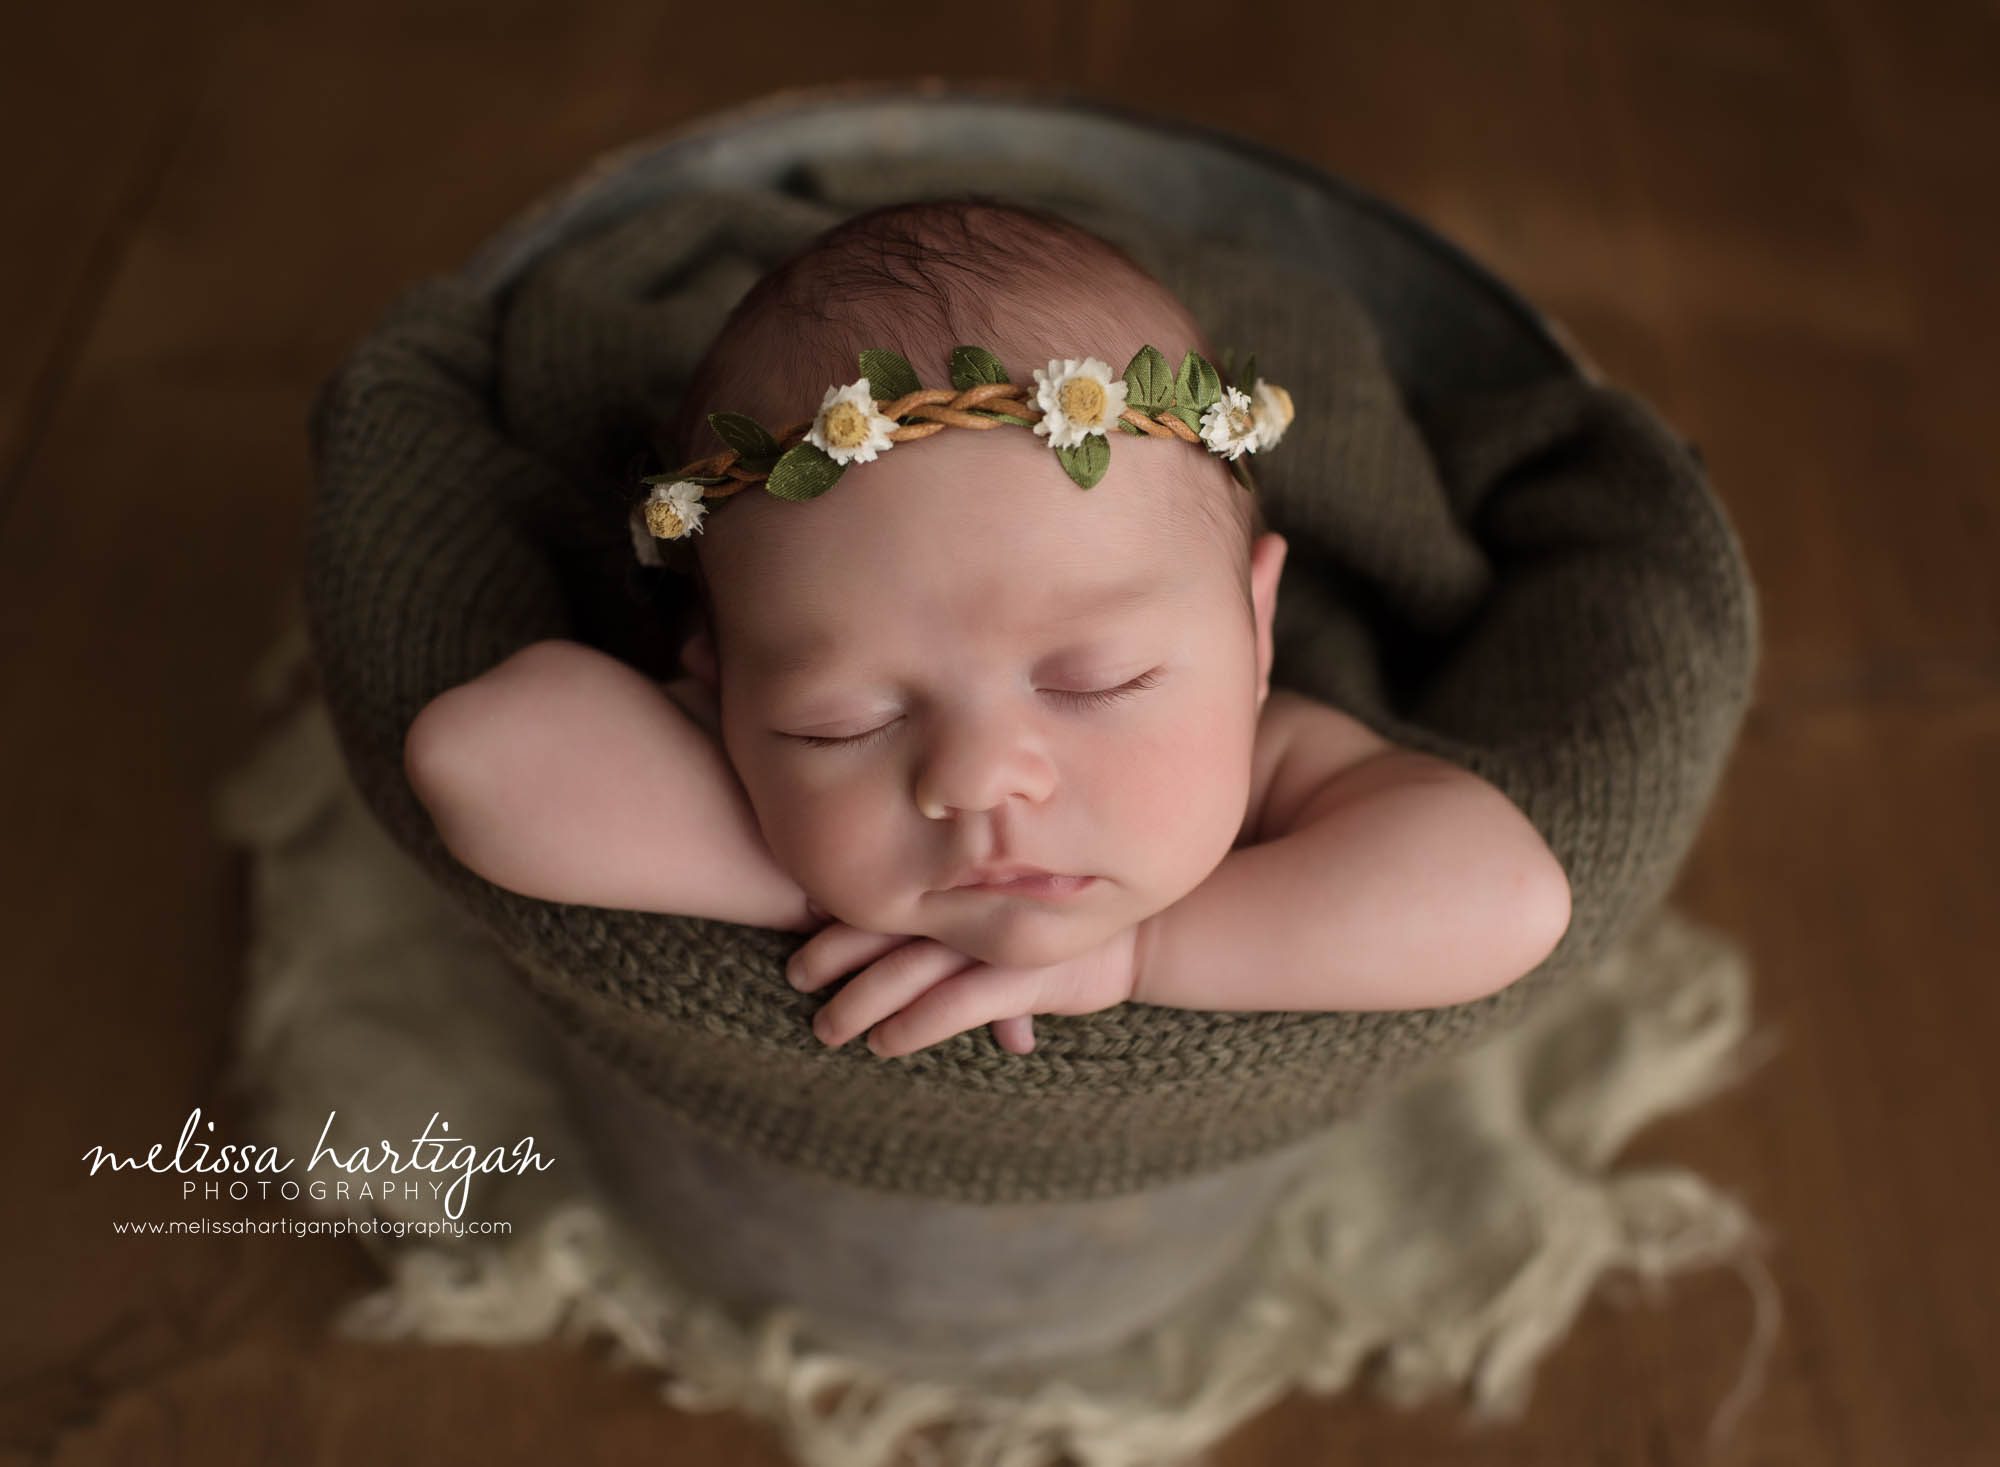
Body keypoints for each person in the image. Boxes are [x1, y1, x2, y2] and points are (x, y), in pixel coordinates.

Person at [402, 198, 1571, 1060]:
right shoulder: (755, 775)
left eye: (1098, 681)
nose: (974, 777)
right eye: (843, 721)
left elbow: (1504, 896)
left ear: (1255, 630)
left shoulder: (1278, 763)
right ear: (721, 693)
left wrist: (1135, 957)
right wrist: (812, 873)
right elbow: (479, 758)